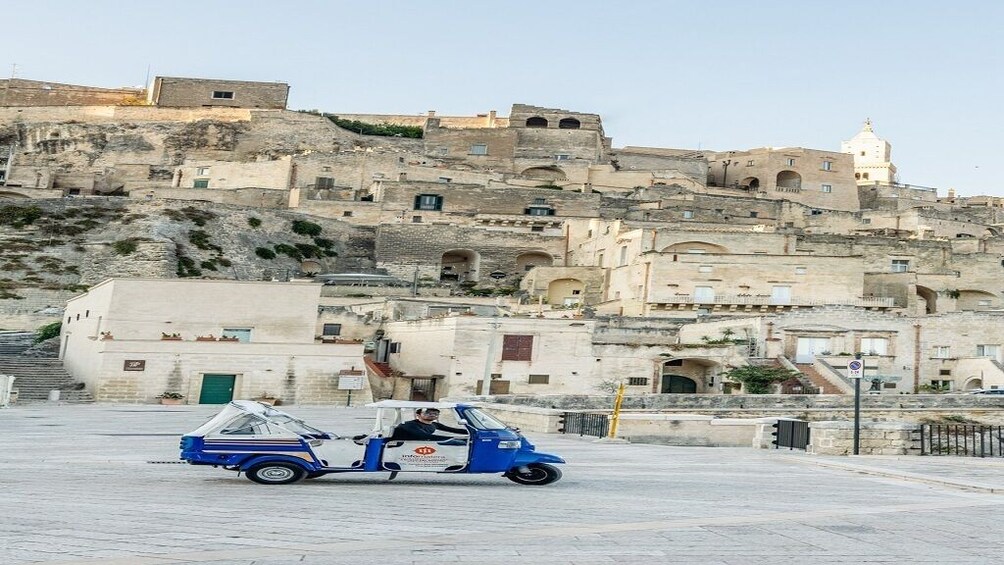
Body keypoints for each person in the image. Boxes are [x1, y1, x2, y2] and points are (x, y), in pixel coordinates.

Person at [390, 408, 468, 441]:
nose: (432, 414)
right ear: (418, 415)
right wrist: (454, 438)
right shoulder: (409, 425)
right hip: (405, 447)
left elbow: (453, 430)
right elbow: (425, 436)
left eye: (436, 413)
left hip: (420, 445)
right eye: (428, 413)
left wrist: (472, 432)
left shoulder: (434, 424)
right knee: (458, 442)